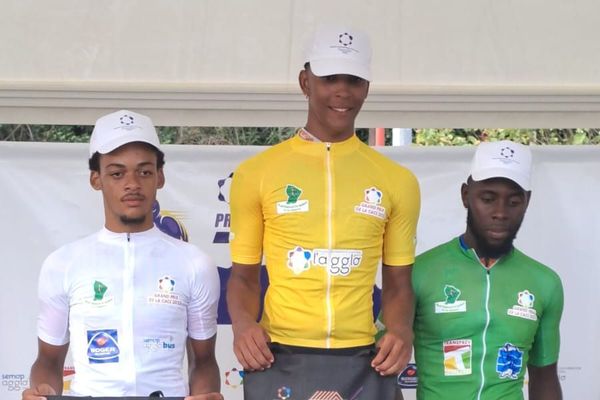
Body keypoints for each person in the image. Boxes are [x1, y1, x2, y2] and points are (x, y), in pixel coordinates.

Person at [227, 26, 420, 399]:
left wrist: (400, 329)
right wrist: (241, 325)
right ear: (305, 81)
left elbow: (398, 284)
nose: (342, 91)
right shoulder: (256, 173)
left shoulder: (398, 180)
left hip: (364, 360)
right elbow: (243, 278)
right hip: (278, 356)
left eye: (354, 80)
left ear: (367, 86)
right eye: (330, 78)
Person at [22, 110, 223, 400]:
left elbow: (204, 361)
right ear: (96, 179)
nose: (132, 183)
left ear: (160, 177)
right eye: (117, 173)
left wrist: (207, 394)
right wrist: (42, 391)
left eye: (144, 171)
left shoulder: (194, 264)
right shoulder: (62, 264)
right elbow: (48, 361)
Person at [411, 140, 564, 399]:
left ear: (527, 202)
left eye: (513, 201)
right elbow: (384, 368)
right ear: (465, 195)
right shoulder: (419, 272)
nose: (500, 213)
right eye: (488, 198)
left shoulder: (544, 283)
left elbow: (545, 377)